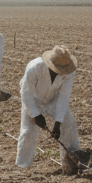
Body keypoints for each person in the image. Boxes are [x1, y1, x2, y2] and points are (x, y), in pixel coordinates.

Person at [16, 45, 80, 173]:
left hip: (53, 99)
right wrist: (36, 115)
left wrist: (58, 122)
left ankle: (71, 164)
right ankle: (23, 166)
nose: (60, 71)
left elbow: (63, 97)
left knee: (69, 126)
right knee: (28, 131)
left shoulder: (69, 71)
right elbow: (26, 93)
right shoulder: (34, 67)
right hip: (33, 99)